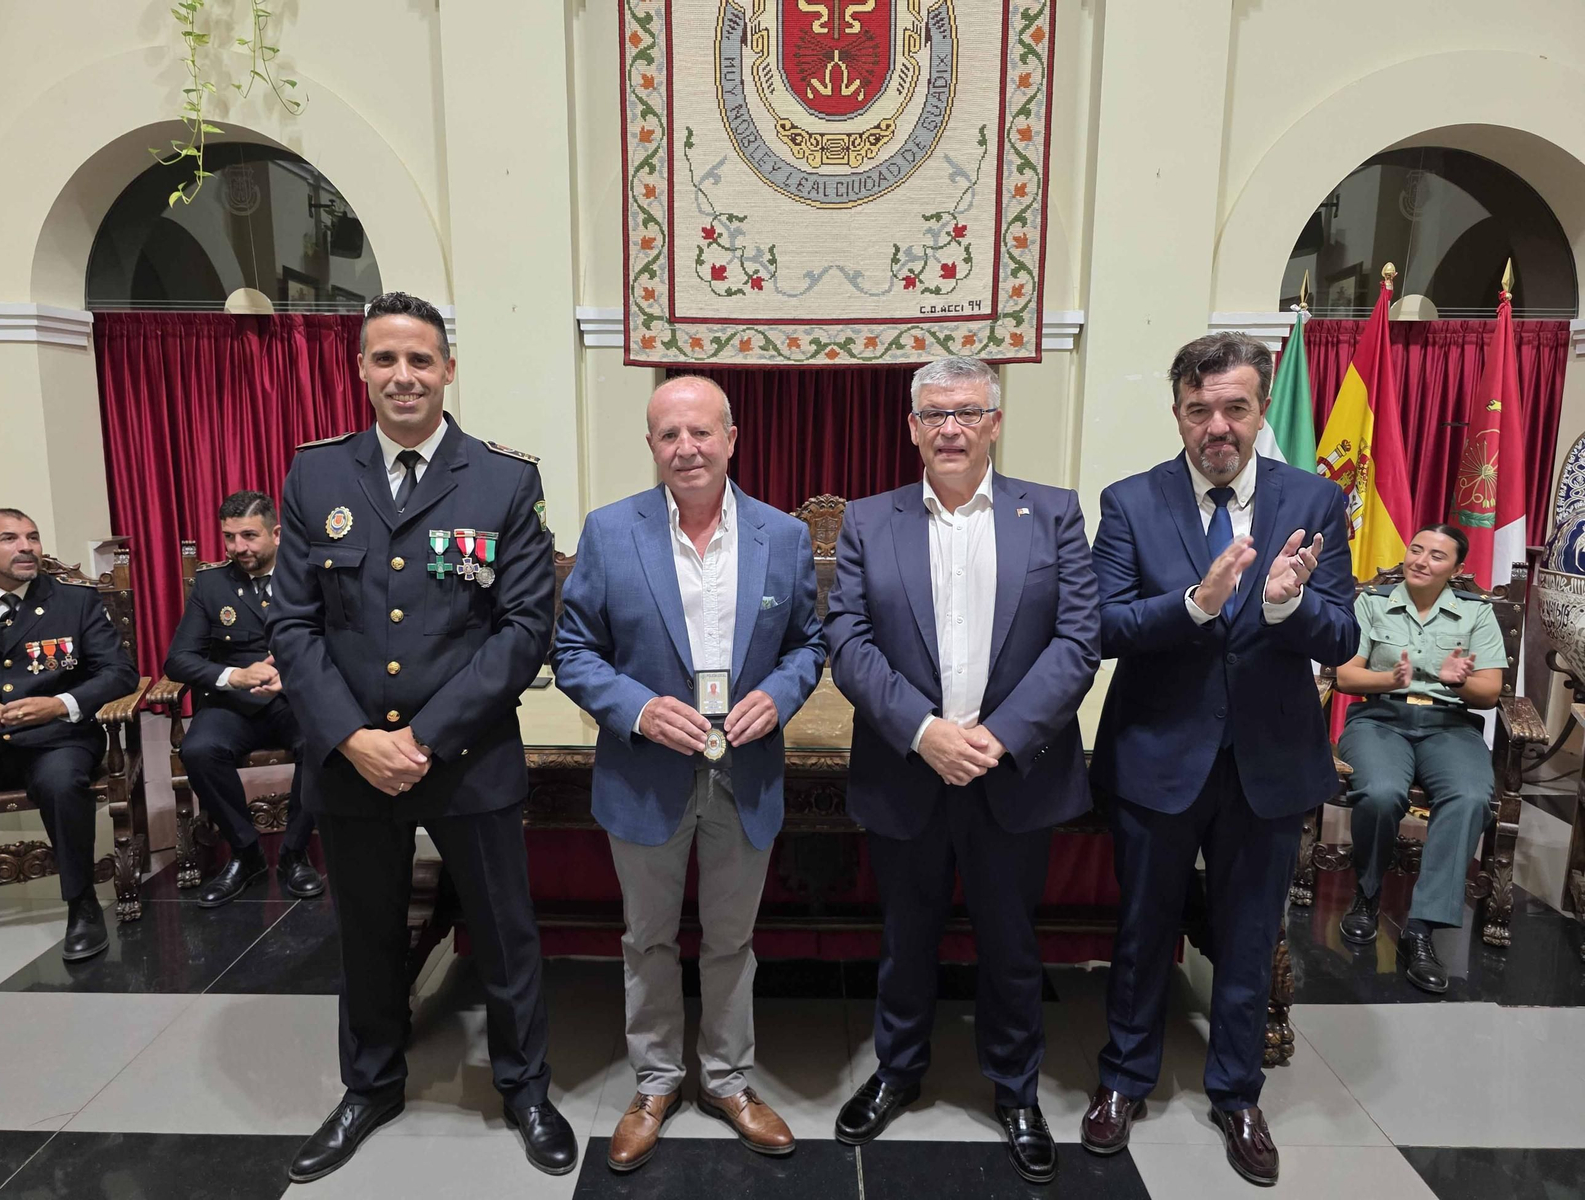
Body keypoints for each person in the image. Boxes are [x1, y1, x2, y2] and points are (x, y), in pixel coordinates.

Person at [268, 292, 575, 1183]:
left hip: (469, 755)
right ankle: (370, 1086)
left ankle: (524, 1089)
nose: (403, 376)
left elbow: (524, 626)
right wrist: (355, 738)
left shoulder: (504, 479)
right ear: (360, 369)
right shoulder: (316, 477)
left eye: (420, 360)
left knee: (504, 932)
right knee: (365, 932)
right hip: (353, 759)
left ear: (448, 369)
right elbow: (294, 627)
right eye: (384, 360)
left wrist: (427, 739)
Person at [1084, 331, 1357, 1187]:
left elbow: (1346, 633)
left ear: (1259, 410)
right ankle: (1123, 1080)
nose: (1217, 426)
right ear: (1178, 414)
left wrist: (1287, 609)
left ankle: (1237, 1093)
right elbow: (1102, 625)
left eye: (1234, 407)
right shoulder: (1131, 501)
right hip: (1158, 760)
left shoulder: (1314, 500)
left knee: (1247, 939)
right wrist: (1195, 604)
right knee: (1142, 932)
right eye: (1199, 410)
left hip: (1268, 765)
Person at [824, 357, 1100, 1185]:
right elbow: (847, 641)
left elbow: (1078, 640)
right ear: (910, 427)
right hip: (908, 772)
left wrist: (998, 736)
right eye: (934, 413)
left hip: (1014, 774)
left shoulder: (1051, 513)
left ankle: (1015, 1091)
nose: (950, 427)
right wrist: (924, 732)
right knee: (903, 938)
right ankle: (898, 1072)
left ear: (994, 422)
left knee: (1013, 946)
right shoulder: (869, 521)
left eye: (967, 412)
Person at [553, 375, 826, 1172]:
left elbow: (810, 643)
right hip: (646, 770)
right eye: (668, 435)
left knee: (733, 941)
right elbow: (574, 652)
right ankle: (656, 1081)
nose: (686, 448)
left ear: (732, 438)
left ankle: (729, 1080)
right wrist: (637, 708)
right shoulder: (610, 532)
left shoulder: (780, 534)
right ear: (650, 445)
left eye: (701, 432)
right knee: (647, 939)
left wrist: (779, 694)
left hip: (747, 771)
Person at [1333, 523, 1505, 994]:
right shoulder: (1371, 603)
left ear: (1456, 569)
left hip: (1448, 726)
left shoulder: (1475, 614)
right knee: (1381, 792)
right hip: (1381, 721)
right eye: (1416, 549)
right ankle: (1367, 896)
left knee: (1470, 796)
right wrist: (1389, 681)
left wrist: (1456, 682)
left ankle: (1421, 929)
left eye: (1437, 555)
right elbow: (1346, 677)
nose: (1421, 560)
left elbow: (1489, 692)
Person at [0, 508, 139, 960]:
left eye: (32, 537)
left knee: (61, 783)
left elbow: (119, 672)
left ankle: (82, 904)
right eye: (10, 539)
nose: (26, 546)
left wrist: (60, 704)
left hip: (58, 738)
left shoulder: (74, 601)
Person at [165, 490, 322, 905]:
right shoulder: (212, 584)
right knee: (198, 750)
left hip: (296, 697)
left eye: (248, 536)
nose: (238, 548)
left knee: (322, 740)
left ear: (276, 533)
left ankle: (293, 853)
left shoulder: (309, 576)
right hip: (234, 703)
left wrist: (288, 676)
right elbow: (178, 660)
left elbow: (340, 644)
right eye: (229, 537)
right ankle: (245, 851)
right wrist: (235, 675)